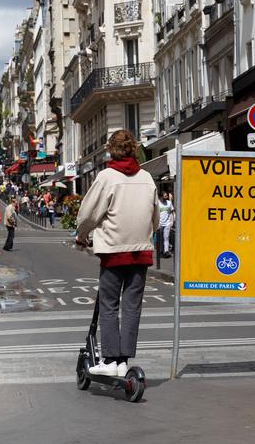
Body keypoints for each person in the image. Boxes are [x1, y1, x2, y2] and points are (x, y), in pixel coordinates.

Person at [76, 129, 159, 377]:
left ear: (111, 150)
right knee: (132, 306)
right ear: (134, 149)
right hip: (141, 251)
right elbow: (155, 216)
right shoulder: (147, 178)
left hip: (114, 251)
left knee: (108, 304)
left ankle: (110, 359)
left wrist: (82, 234)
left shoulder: (106, 177)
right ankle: (124, 359)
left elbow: (89, 213)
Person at [158, 191, 175, 258]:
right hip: (159, 223)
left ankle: (166, 251)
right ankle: (160, 251)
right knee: (160, 238)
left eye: (166, 196)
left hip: (167, 223)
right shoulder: (158, 203)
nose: (166, 197)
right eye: (165, 196)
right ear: (161, 197)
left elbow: (172, 211)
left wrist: (172, 221)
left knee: (166, 237)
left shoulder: (169, 203)